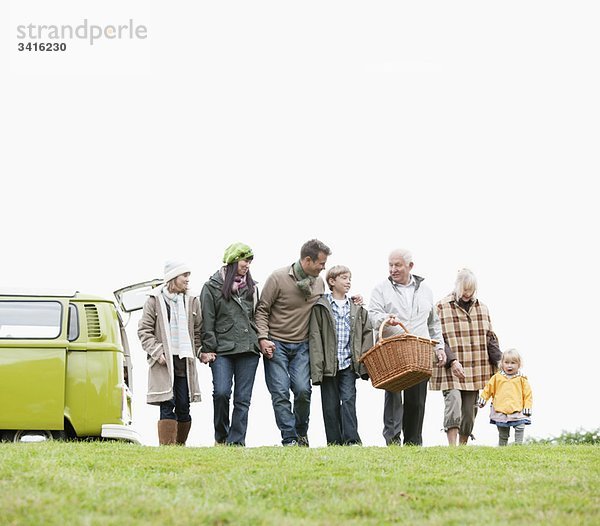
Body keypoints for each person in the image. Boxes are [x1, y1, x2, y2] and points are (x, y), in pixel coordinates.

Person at [255, 239, 332, 447]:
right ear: (308, 260)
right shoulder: (278, 278)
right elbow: (262, 310)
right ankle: (289, 439)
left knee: (302, 390)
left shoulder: (319, 282)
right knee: (280, 392)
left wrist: (354, 300)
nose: (323, 267)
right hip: (276, 344)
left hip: (303, 346)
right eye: (321, 263)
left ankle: (301, 433)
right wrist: (263, 338)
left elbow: (327, 305)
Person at [368, 248, 446, 446]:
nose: (393, 269)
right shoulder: (380, 289)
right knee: (393, 396)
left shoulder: (426, 290)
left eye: (398, 265)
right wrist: (386, 318)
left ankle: (413, 441)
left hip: (419, 350)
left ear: (410, 266)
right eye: (390, 265)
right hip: (393, 350)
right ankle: (393, 441)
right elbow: (373, 314)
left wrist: (440, 348)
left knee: (417, 400)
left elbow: (433, 323)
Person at [138, 261, 213, 446]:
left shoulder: (192, 301)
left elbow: (196, 333)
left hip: (184, 363)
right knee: (166, 404)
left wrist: (200, 352)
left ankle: (179, 446)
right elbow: (144, 331)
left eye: (189, 275)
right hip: (164, 363)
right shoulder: (154, 300)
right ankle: (167, 448)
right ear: (173, 278)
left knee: (183, 406)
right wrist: (158, 351)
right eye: (184, 276)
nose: (188, 279)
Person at [430, 268, 502, 446]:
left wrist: (499, 360)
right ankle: (452, 446)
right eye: (464, 289)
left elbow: (489, 338)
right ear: (457, 286)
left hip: (475, 366)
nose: (467, 294)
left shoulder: (482, 308)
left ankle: (463, 446)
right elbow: (437, 337)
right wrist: (453, 361)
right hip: (450, 366)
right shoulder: (441, 306)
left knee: (470, 411)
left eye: (471, 290)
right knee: (453, 402)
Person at [200, 242, 261, 447]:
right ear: (233, 260)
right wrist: (209, 349)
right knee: (222, 392)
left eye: (250, 261)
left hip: (248, 349)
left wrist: (259, 340)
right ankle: (221, 436)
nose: (247, 265)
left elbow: (257, 316)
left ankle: (237, 443)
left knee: (243, 399)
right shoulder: (211, 286)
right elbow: (207, 321)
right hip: (222, 350)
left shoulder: (252, 287)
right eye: (245, 260)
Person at [309, 265, 373, 446]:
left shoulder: (357, 308)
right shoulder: (321, 306)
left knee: (349, 400)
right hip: (329, 364)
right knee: (329, 405)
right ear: (332, 281)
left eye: (350, 278)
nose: (348, 282)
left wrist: (362, 361)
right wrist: (317, 367)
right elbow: (315, 338)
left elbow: (367, 333)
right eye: (344, 278)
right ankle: (334, 442)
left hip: (349, 364)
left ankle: (352, 440)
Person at [477, 348, 533, 446]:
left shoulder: (522, 379)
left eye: (513, 363)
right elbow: (488, 389)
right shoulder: (497, 377)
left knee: (520, 426)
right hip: (500, 410)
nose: (509, 365)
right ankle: (502, 448)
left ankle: (518, 446)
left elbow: (528, 395)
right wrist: (483, 400)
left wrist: (527, 407)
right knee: (503, 432)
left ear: (519, 364)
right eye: (506, 362)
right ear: (502, 363)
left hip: (517, 409)